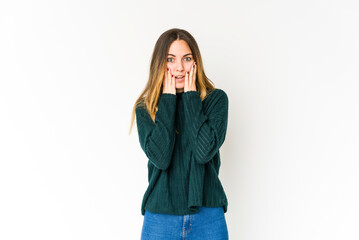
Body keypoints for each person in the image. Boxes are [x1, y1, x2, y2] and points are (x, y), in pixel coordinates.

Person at [129, 28, 230, 239]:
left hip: (208, 215)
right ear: (160, 64)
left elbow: (203, 152)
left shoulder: (216, 101)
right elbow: (161, 158)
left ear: (196, 62)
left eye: (186, 58)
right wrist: (168, 100)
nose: (179, 68)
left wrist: (192, 97)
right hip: (160, 218)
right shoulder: (146, 108)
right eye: (170, 59)